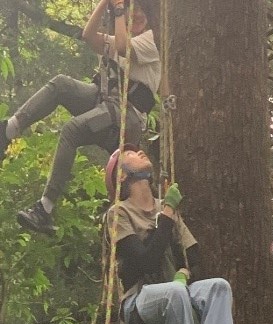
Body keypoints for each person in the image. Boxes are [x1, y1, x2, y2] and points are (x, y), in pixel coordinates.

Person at [105, 145, 238, 324]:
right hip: (139, 303)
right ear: (122, 176)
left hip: (174, 292)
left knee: (219, 288)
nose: (140, 152)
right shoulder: (119, 214)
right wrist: (166, 213)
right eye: (132, 154)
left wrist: (185, 271)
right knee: (176, 293)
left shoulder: (168, 208)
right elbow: (143, 263)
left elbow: (194, 255)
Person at [0, 0, 159, 235]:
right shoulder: (119, 39)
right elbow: (88, 36)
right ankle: (7, 131)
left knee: (72, 130)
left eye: (141, 13)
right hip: (106, 102)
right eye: (131, 12)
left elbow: (125, 47)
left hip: (127, 115)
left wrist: (117, 12)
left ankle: (45, 207)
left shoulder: (150, 41)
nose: (136, 16)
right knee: (61, 84)